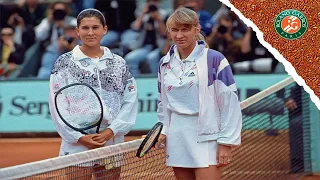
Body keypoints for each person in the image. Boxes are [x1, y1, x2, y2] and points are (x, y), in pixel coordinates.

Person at [48, 8, 138, 179]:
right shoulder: (64, 63)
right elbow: (57, 104)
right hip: (77, 142)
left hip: (110, 140)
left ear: (104, 29)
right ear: (77, 31)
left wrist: (112, 130)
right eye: (85, 28)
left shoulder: (118, 63)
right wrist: (78, 137)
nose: (90, 32)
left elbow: (130, 100)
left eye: (95, 27)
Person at [155, 7, 242, 180]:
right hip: (177, 137)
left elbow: (229, 101)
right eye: (175, 30)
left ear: (197, 29)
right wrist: (164, 129)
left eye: (185, 29)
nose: (179, 35)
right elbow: (163, 103)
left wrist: (226, 142)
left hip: (207, 137)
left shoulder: (214, 59)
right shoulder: (164, 63)